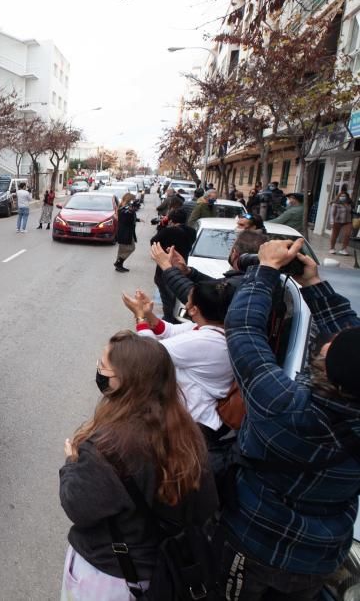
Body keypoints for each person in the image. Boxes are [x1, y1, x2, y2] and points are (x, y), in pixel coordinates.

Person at [219, 239, 360, 599]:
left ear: (328, 369)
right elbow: (352, 345)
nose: (327, 342)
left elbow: (245, 331)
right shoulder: (297, 401)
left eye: (329, 348)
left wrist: (264, 269)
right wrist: (314, 285)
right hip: (320, 557)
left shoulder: (285, 408)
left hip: (254, 542)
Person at [59, 331, 218, 599]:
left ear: (126, 382)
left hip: (109, 577)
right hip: (161, 570)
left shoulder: (106, 447)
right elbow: (205, 505)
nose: (98, 370)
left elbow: (76, 505)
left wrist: (72, 462)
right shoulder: (188, 433)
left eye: (103, 366)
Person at [122, 282, 236, 465]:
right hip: (194, 419)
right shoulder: (212, 328)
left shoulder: (205, 341)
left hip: (193, 425)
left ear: (193, 310)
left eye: (189, 301)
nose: (187, 304)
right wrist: (149, 314)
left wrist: (140, 318)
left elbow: (151, 354)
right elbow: (170, 331)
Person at [152, 230, 268, 313]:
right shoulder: (254, 278)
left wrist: (167, 268)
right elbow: (215, 285)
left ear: (235, 253)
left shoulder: (243, 283)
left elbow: (200, 297)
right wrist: (188, 272)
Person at [149, 208, 196, 323]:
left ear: (171, 220)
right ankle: (175, 315)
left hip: (166, 267)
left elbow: (153, 242)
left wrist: (162, 227)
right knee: (176, 293)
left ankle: (169, 318)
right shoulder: (192, 231)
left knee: (166, 295)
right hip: (182, 265)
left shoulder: (169, 231)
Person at [113, 194, 138, 273]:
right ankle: (118, 263)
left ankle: (119, 265)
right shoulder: (125, 208)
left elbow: (127, 217)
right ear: (129, 199)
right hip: (125, 232)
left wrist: (137, 219)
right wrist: (131, 211)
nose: (133, 201)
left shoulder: (124, 207)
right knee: (131, 248)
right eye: (133, 199)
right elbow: (125, 219)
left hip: (124, 231)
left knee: (122, 250)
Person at [329, 188, 354, 255]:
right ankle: (332, 248)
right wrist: (332, 222)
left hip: (348, 221)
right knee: (335, 235)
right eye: (341, 196)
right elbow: (332, 213)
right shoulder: (336, 203)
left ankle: (343, 249)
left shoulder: (349, 203)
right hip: (337, 221)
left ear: (347, 197)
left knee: (347, 234)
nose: (343, 197)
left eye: (344, 196)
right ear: (339, 196)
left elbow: (351, 212)